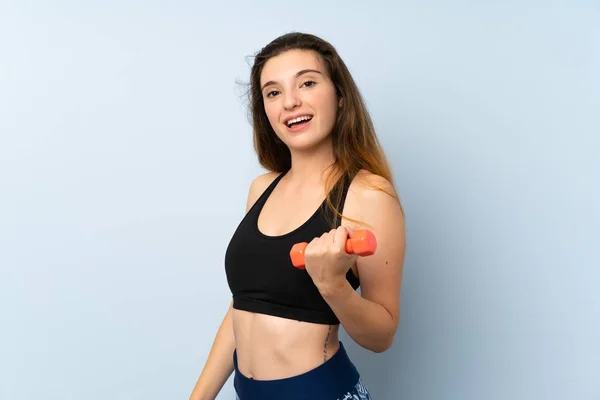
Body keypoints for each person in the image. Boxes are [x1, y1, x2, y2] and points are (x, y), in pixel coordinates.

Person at [189, 32, 406, 400]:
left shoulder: (369, 196)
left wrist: (333, 285)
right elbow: (243, 308)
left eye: (307, 82)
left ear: (340, 96)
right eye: (273, 92)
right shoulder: (261, 189)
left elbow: (381, 337)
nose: (290, 102)